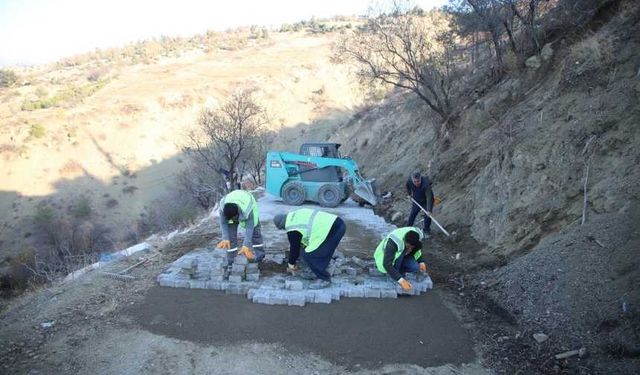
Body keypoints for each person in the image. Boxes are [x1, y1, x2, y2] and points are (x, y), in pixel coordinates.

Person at [273, 208, 346, 289]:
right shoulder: (294, 215)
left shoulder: (292, 228)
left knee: (310, 254)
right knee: (317, 250)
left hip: (332, 230)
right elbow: (305, 232)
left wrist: (291, 265)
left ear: (282, 226)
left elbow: (294, 249)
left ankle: (324, 279)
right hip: (337, 223)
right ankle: (315, 269)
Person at [215, 189, 264, 264]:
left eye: (234, 218)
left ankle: (260, 256)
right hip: (234, 203)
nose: (233, 220)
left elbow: (250, 228)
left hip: (247, 201)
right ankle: (232, 259)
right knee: (230, 236)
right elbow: (223, 223)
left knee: (255, 232)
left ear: (237, 214)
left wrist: (246, 245)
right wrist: (225, 237)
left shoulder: (248, 208)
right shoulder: (222, 208)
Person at [374, 227, 428, 292]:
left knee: (415, 267)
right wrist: (401, 280)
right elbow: (386, 264)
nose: (410, 249)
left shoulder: (416, 236)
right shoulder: (393, 242)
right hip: (385, 257)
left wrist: (421, 261)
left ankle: (397, 272)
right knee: (395, 262)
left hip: (402, 254)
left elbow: (417, 251)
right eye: (408, 246)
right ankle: (396, 274)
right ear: (405, 241)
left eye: (412, 247)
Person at [405, 171, 434, 237]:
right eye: (415, 182)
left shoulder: (426, 184)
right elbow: (407, 186)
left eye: (418, 181)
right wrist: (409, 194)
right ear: (412, 180)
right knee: (412, 214)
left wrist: (429, 210)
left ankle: (426, 230)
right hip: (417, 200)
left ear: (420, 178)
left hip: (426, 201)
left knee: (427, 216)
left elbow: (429, 197)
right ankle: (407, 229)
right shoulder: (409, 181)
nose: (417, 183)